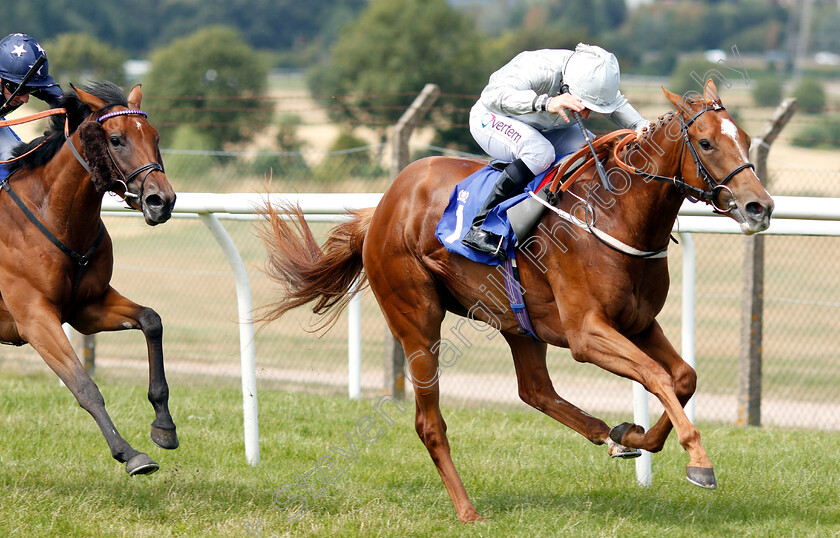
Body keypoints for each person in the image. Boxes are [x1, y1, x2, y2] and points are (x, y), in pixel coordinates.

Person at [463, 43, 651, 259]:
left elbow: (624, 110)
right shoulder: (537, 67)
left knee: (591, 147)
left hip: (541, 127)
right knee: (540, 153)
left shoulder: (590, 78)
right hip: (492, 117)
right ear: (566, 86)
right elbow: (491, 96)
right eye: (584, 106)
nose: (587, 115)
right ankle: (480, 224)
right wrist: (546, 102)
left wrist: (642, 126)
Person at [0, 33, 63, 169]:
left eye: (31, 89)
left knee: (13, 163)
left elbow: (68, 103)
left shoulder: (27, 78)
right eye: (21, 90)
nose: (25, 99)